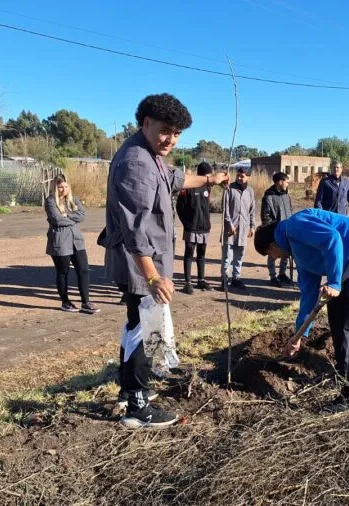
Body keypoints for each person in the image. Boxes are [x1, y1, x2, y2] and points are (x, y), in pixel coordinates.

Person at [103, 93, 229, 429]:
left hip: (146, 261)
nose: (170, 139)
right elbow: (135, 230)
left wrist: (210, 180)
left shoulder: (151, 154)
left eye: (176, 133)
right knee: (147, 329)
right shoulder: (137, 163)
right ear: (146, 123)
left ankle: (130, 391)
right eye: (165, 130)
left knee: (136, 325)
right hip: (141, 264)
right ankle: (138, 407)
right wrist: (153, 278)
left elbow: (175, 179)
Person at [254, 208, 349, 412]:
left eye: (270, 255)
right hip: (347, 265)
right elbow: (309, 293)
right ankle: (345, 376)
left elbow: (332, 239)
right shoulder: (297, 252)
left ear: (272, 245)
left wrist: (334, 282)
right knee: (337, 317)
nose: (273, 258)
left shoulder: (295, 224)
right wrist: (299, 335)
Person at [45, 174, 98, 314]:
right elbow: (56, 220)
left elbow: (82, 215)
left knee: (84, 270)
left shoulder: (73, 200)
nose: (64, 189)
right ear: (55, 188)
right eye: (60, 187)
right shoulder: (50, 201)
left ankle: (86, 302)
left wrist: (66, 215)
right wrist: (73, 219)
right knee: (63, 272)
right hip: (60, 241)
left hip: (76, 241)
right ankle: (65, 302)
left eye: (66, 186)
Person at [175, 161, 214, 294]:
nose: (209, 177)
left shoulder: (207, 187)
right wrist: (186, 223)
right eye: (208, 175)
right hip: (191, 227)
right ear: (202, 174)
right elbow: (180, 207)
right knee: (189, 254)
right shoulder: (188, 187)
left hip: (204, 227)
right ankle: (188, 283)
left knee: (201, 255)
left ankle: (201, 280)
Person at [222, 167, 255, 290]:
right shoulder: (229, 188)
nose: (240, 178)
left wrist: (252, 226)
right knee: (227, 256)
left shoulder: (250, 191)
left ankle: (236, 278)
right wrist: (229, 223)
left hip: (243, 228)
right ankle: (224, 279)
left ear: (248, 177)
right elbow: (225, 209)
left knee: (239, 256)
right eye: (238, 176)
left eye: (242, 176)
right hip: (230, 229)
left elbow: (252, 211)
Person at [260, 171, 293, 287]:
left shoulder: (286, 196)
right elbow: (265, 216)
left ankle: (282, 274)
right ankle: (273, 276)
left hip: (287, 229)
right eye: (286, 182)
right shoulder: (268, 197)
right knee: (272, 254)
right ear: (280, 182)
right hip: (274, 231)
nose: (287, 184)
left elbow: (290, 211)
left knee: (286, 253)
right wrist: (271, 230)